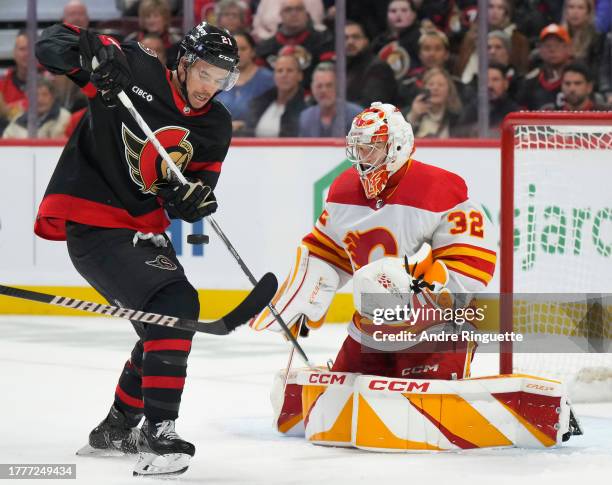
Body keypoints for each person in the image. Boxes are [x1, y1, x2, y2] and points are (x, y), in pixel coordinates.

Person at [34, 21, 239, 477]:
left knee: (163, 325)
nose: (211, 86)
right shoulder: (137, 69)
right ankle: (158, 429)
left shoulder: (216, 124)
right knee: (175, 303)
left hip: (142, 228)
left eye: (222, 79)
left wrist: (191, 199)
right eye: (205, 72)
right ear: (183, 62)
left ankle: (117, 426)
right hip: (93, 220)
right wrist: (98, 58)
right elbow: (50, 44)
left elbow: (192, 191)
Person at [250, 102, 496, 431]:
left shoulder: (440, 187)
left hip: (435, 326)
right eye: (358, 148)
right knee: (334, 407)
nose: (363, 157)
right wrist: (304, 298)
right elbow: (327, 251)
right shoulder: (342, 190)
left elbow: (471, 267)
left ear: (396, 146)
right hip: (371, 325)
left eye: (372, 148)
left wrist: (415, 297)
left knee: (422, 414)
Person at [255, 0, 334, 90]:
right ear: (280, 15)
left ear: (306, 14)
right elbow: (260, 81)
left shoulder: (323, 41)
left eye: (299, 9)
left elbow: (328, 75)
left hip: (314, 97)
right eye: (288, 10)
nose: (294, 14)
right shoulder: (265, 48)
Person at [216, 31, 274, 134]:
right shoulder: (218, 78)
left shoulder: (268, 79)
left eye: (243, 49)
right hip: (220, 137)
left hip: (255, 140)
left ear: (253, 52)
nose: (238, 53)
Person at [244, 53, 306, 137]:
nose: (284, 75)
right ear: (274, 75)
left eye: (290, 70)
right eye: (280, 71)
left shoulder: (306, 109)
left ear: (300, 75)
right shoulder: (257, 103)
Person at [298, 62, 362, 137]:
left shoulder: (357, 117)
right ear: (312, 88)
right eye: (319, 86)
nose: (323, 90)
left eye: (329, 85)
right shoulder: (305, 118)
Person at [518, 24, 572, 109]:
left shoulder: (578, 79)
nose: (552, 50)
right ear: (539, 49)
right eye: (547, 45)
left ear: (568, 48)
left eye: (557, 45)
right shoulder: (530, 83)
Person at [345, 21, 397, 107]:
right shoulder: (337, 68)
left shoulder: (378, 68)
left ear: (366, 41)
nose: (350, 42)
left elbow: (372, 106)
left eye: (356, 37)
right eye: (345, 38)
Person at [405, 67, 464, 138]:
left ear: (449, 91)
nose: (435, 88)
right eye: (431, 84)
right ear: (423, 89)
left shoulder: (458, 118)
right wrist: (413, 116)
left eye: (441, 85)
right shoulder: (408, 114)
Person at [3, 78, 71, 139]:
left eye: (44, 94)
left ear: (52, 97)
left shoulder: (64, 117)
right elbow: (5, 142)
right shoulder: (18, 118)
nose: (39, 99)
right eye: (35, 95)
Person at [371, 0, 422, 81]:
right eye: (393, 11)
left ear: (414, 15)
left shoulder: (422, 38)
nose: (398, 14)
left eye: (404, 10)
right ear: (387, 15)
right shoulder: (379, 41)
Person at [125, 0, 182, 66]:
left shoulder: (176, 42)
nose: (151, 21)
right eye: (148, 16)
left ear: (165, 18)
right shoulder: (131, 42)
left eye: (156, 16)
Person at [542, 62, 608, 110]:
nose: (572, 89)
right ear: (561, 86)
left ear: (589, 87)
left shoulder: (606, 114)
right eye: (567, 83)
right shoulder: (551, 115)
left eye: (577, 83)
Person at [0, 31, 30, 123]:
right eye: (22, 49)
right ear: (14, 53)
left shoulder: (52, 81)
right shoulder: (2, 82)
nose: (27, 54)